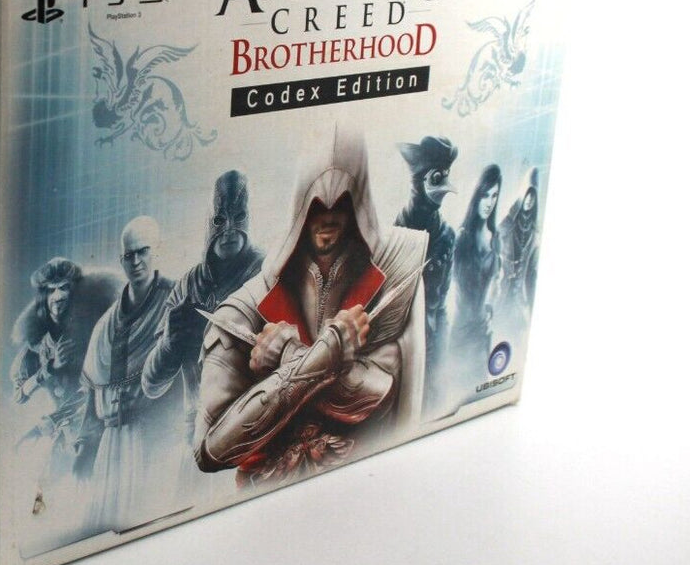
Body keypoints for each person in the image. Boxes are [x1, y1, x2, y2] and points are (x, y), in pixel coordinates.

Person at [194, 128, 427, 488]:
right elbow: (211, 451)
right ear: (300, 206)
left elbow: (384, 397)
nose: (328, 217)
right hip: (267, 495)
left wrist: (289, 356)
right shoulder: (244, 309)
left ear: (360, 202)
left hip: (368, 481)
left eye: (343, 203)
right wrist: (326, 353)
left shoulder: (399, 270)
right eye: (317, 205)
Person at [142, 170, 265, 445]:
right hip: (198, 432)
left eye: (238, 217)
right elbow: (151, 384)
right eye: (220, 220)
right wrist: (169, 344)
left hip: (254, 423)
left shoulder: (267, 273)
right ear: (209, 222)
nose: (229, 229)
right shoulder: (187, 285)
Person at [74, 216, 182, 531]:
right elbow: (94, 389)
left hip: (157, 436)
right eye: (128, 255)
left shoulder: (177, 299)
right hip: (113, 439)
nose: (136, 261)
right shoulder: (107, 323)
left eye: (142, 251)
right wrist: (85, 442)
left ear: (156, 250)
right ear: (121, 260)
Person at [9, 257, 120, 513]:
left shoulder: (92, 335)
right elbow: (19, 395)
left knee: (87, 487)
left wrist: (49, 423)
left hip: (94, 427)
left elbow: (96, 385)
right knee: (46, 486)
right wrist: (49, 369)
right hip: (62, 434)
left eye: (64, 288)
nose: (58, 296)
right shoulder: (35, 347)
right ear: (44, 296)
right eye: (52, 290)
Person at [394, 136, 458, 376]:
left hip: (431, 346)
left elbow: (441, 305)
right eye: (436, 177)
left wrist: (441, 354)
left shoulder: (447, 236)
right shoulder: (396, 234)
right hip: (399, 350)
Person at [449, 165, 503, 376]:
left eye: (494, 195)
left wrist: (490, 307)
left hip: (482, 330)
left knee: (478, 382)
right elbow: (448, 286)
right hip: (460, 329)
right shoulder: (462, 238)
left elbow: (496, 281)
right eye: (485, 195)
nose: (489, 202)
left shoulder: (495, 239)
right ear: (477, 196)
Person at [498, 168, 540, 321]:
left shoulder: (535, 235)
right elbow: (497, 236)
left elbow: (532, 274)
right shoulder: (509, 224)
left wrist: (530, 307)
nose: (529, 199)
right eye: (527, 194)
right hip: (501, 295)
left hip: (520, 301)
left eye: (533, 196)